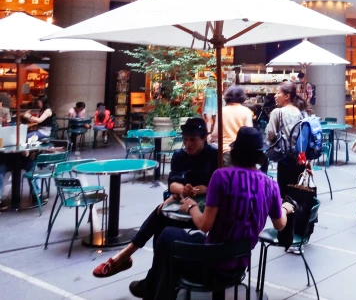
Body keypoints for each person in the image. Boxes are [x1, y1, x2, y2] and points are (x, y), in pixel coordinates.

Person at [127, 126, 290, 299]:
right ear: (260, 156)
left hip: (210, 265)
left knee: (167, 236)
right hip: (239, 265)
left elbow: (205, 225)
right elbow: (280, 225)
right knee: (185, 240)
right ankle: (155, 287)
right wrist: (286, 208)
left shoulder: (221, 176)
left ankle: (153, 289)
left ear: (234, 152)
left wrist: (191, 206)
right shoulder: (271, 185)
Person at [92, 118, 218, 279]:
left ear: (204, 138)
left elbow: (214, 185)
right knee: (160, 221)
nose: (188, 144)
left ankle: (133, 263)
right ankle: (154, 273)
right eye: (185, 139)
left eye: (193, 139)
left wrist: (194, 190)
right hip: (183, 205)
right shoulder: (180, 155)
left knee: (160, 219)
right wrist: (183, 190)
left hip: (207, 211)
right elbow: (173, 184)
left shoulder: (215, 155)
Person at [266, 81, 309, 197]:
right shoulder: (302, 112)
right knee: (298, 190)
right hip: (301, 157)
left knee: (284, 193)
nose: (275, 95)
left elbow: (270, 134)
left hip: (285, 158)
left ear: (287, 96)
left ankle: (286, 213)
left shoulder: (278, 112)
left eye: (278, 93)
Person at [209, 85, 254, 166]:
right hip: (241, 151)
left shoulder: (222, 111)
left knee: (227, 177)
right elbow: (249, 133)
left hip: (225, 150)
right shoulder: (247, 111)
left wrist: (210, 139)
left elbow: (215, 134)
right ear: (242, 97)